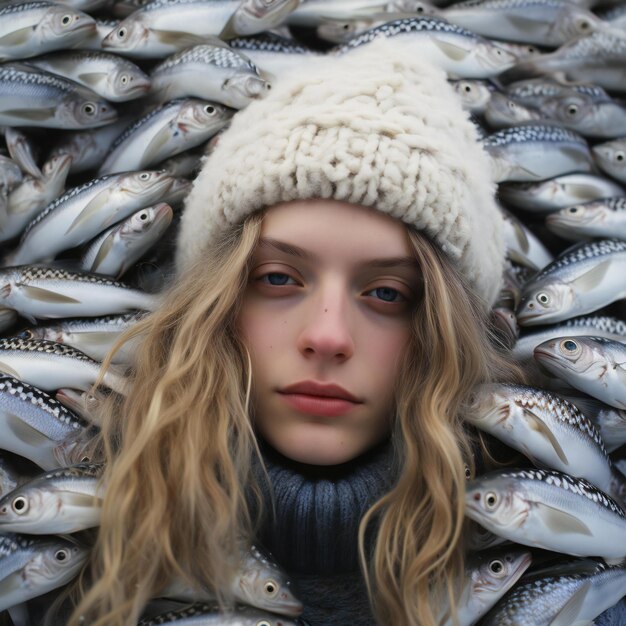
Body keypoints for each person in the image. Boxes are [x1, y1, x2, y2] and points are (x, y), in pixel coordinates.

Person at [58, 38, 622, 626]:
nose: (328, 338)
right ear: (213, 301)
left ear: (445, 328)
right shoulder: (81, 564)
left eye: (387, 293)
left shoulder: (574, 587)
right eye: (278, 278)